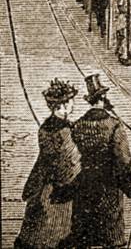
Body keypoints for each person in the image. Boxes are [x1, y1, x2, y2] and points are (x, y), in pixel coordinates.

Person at [69, 75, 131, 248]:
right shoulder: (114, 125)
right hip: (109, 193)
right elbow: (124, 162)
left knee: (84, 239)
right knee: (110, 238)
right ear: (103, 98)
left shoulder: (76, 126)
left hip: (84, 193)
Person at [15, 79, 80, 249]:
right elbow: (69, 163)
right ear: (63, 105)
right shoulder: (64, 131)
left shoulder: (45, 127)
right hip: (59, 191)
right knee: (55, 233)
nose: (73, 105)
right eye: (71, 101)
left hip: (44, 185)